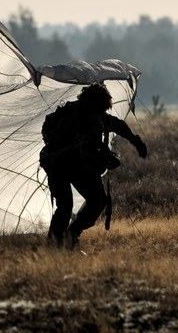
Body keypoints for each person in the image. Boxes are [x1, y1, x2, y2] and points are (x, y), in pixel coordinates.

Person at [39, 83, 147, 249]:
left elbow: (117, 124)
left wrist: (136, 141)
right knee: (73, 205)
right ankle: (58, 244)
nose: (101, 112)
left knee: (90, 202)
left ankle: (65, 240)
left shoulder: (96, 117)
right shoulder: (74, 117)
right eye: (99, 107)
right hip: (63, 164)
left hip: (72, 164)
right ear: (92, 103)